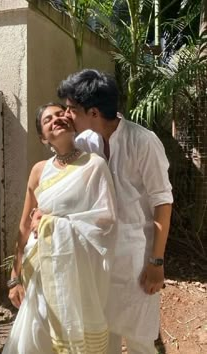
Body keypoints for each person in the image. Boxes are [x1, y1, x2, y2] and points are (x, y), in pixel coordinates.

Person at [57, 69, 173, 354]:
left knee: (140, 340)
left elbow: (162, 202)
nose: (66, 114)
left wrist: (156, 262)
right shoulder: (86, 144)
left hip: (136, 259)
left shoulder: (142, 141)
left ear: (93, 112)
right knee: (102, 335)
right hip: (98, 260)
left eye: (72, 109)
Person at [3, 103, 117, 354]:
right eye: (48, 120)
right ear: (43, 137)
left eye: (60, 115)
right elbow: (24, 225)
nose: (57, 120)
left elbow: (107, 220)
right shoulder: (39, 171)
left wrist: (53, 221)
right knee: (40, 332)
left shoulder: (94, 165)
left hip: (79, 271)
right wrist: (14, 278)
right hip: (40, 270)